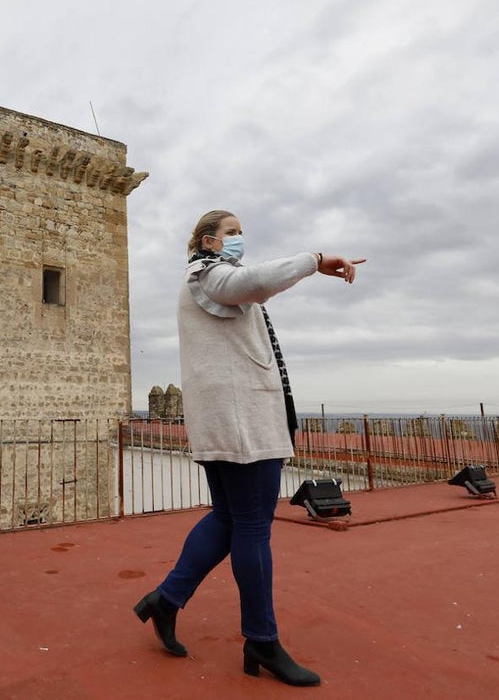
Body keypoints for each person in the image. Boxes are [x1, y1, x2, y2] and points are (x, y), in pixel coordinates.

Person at [134, 210, 364, 687]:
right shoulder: (209, 274)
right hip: (241, 422)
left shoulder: (207, 279)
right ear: (208, 241)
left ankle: (166, 600)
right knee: (254, 527)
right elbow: (257, 282)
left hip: (228, 419)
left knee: (228, 518)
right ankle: (261, 639)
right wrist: (315, 260)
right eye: (232, 233)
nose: (240, 240)